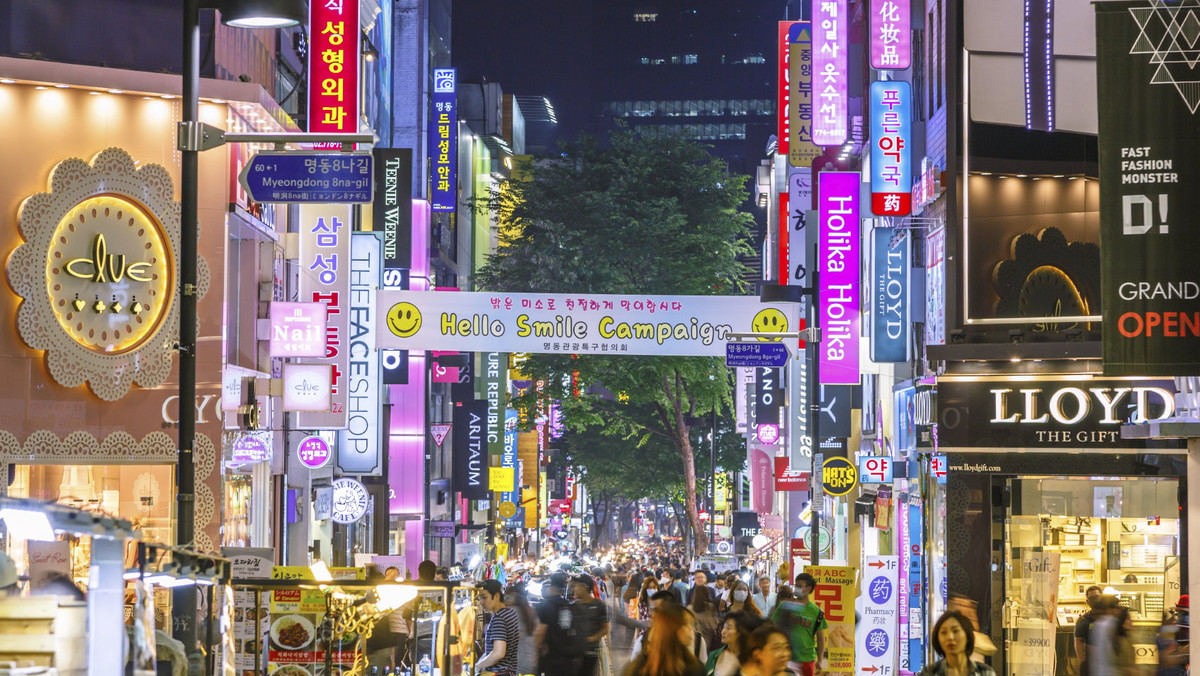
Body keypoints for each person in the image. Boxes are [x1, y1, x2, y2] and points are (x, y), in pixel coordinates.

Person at [622, 601, 705, 676]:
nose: (692, 630)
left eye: (692, 624)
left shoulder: (696, 668)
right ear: (670, 628)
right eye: (686, 624)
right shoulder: (640, 668)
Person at [770, 572, 826, 676]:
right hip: (786, 657)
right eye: (796, 585)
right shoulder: (785, 606)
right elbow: (772, 627)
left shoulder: (817, 612)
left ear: (809, 589)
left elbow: (820, 638)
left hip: (807, 659)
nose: (796, 588)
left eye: (800, 586)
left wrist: (820, 660)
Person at [917, 610, 996, 676]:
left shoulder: (985, 672)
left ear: (967, 636)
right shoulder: (930, 673)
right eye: (944, 632)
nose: (950, 637)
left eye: (955, 631)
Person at [537, 572, 580, 676]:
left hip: (551, 657)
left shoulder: (546, 605)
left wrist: (535, 652)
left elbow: (540, 632)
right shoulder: (568, 606)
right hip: (568, 658)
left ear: (552, 587)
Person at [476, 579, 520, 676]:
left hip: (498, 672)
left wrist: (478, 666)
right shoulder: (510, 612)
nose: (481, 602)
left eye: (484, 597)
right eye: (479, 598)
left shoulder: (499, 618)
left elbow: (498, 653)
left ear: (496, 596)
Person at [574, 574, 611, 676]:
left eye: (576, 585)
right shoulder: (575, 606)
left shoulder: (599, 605)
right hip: (575, 652)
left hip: (590, 652)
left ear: (584, 586)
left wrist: (591, 638)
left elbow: (606, 628)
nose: (575, 589)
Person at [704, 611, 760, 676]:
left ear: (741, 632)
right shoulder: (714, 656)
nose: (723, 631)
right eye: (723, 627)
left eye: (728, 628)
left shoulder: (750, 659)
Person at [506, 584, 539, 676]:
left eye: (507, 596)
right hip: (532, 660)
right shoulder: (531, 610)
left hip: (517, 661)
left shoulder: (511, 612)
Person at [1074, 585, 1104, 676]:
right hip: (1091, 663)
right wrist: (1083, 662)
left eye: (1097, 597)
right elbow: (1078, 640)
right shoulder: (1083, 620)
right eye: (1092, 598)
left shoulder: (1110, 616)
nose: (1095, 600)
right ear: (1087, 601)